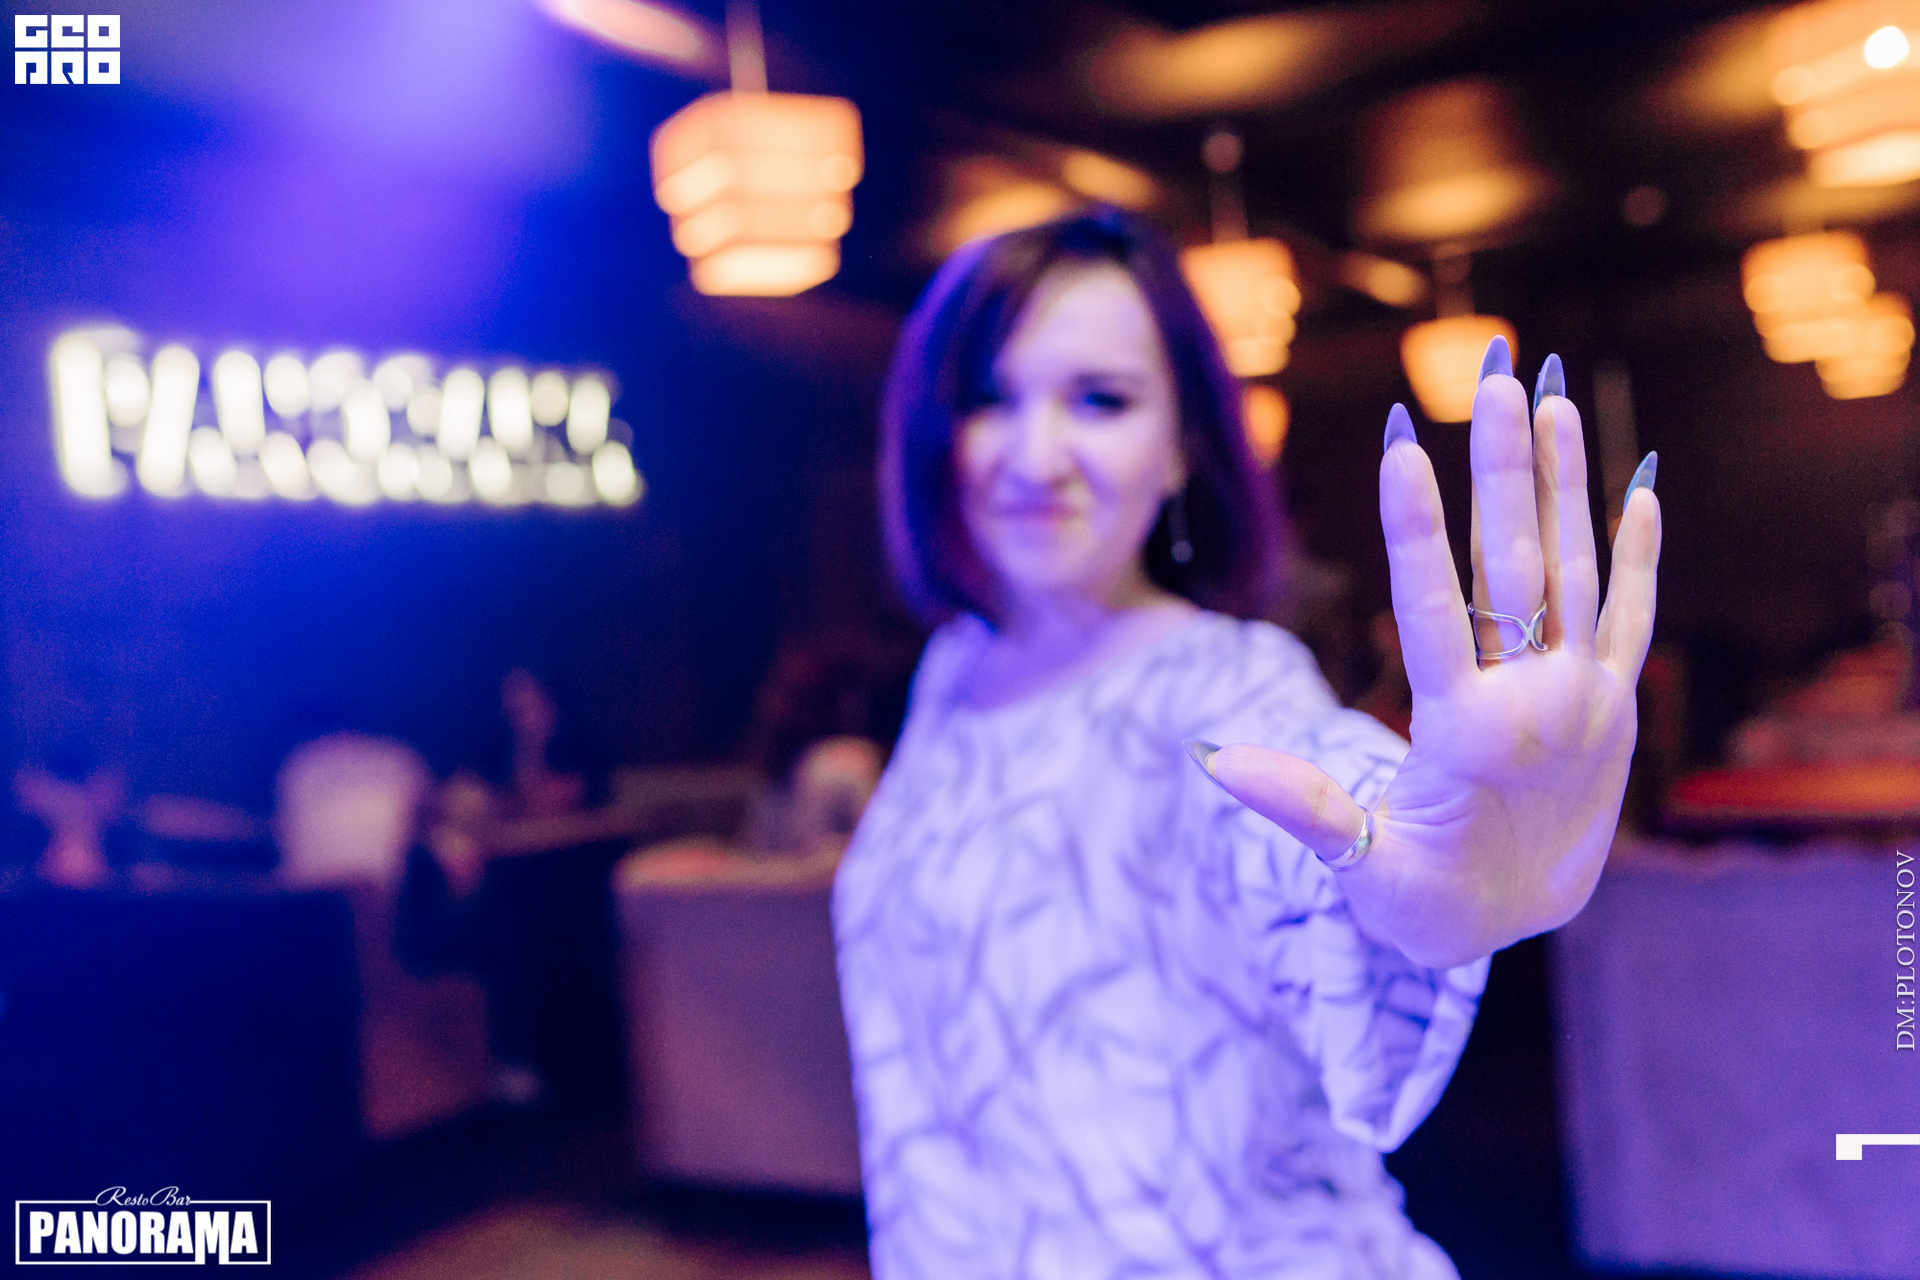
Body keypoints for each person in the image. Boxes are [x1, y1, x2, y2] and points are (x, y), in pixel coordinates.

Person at [831, 207, 1661, 1278]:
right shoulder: (953, 671)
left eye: (1100, 399)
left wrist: (1409, 869)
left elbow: (1308, 797)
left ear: (1182, 447)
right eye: (992, 398)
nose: (1036, 455)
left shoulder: (1223, 679)